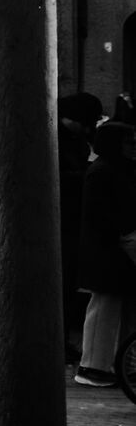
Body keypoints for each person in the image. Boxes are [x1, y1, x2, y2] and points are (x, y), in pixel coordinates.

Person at [75, 118, 136, 388]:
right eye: (128, 142)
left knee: (112, 307)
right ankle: (93, 366)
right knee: (105, 307)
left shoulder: (109, 169)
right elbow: (102, 215)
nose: (133, 146)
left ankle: (108, 364)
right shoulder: (104, 172)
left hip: (109, 247)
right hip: (107, 249)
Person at [58, 92, 104, 359]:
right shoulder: (55, 137)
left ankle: (61, 342)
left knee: (67, 285)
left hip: (73, 222)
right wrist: (86, 176)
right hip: (63, 222)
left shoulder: (75, 139)